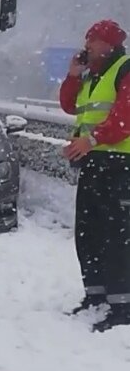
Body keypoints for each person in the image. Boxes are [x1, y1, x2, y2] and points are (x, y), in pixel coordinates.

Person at [60, 19, 130, 331]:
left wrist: (90, 140)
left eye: (94, 39)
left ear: (110, 44)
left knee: (116, 235)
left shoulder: (125, 69)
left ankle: (122, 304)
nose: (87, 44)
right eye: (87, 37)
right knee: (88, 231)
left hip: (120, 163)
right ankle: (96, 294)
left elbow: (124, 118)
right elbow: (70, 106)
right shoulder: (94, 74)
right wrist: (74, 76)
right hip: (94, 160)